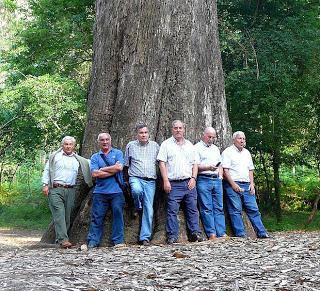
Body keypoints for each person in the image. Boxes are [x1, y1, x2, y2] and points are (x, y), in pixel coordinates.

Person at [157, 120, 204, 244]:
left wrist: (194, 178)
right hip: (173, 183)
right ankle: (172, 235)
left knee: (193, 208)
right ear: (172, 130)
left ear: (184, 129)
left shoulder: (189, 145)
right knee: (172, 210)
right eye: (176, 128)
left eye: (180, 128)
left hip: (189, 182)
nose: (178, 130)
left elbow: (195, 163)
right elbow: (162, 163)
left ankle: (195, 233)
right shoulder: (166, 144)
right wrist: (166, 180)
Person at [42, 136, 93, 248]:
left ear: (74, 146)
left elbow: (92, 163)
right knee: (59, 213)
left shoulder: (79, 159)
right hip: (55, 188)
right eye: (66, 144)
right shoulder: (55, 157)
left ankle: (59, 239)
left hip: (70, 189)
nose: (68, 146)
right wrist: (45, 184)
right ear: (62, 145)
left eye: (70, 144)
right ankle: (64, 240)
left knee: (67, 216)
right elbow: (47, 170)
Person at [221, 131, 269, 238]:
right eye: (239, 138)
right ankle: (240, 234)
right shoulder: (228, 152)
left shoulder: (247, 153)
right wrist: (233, 184)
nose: (242, 141)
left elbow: (250, 170)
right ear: (234, 140)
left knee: (254, 209)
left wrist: (252, 184)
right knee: (235, 210)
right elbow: (225, 170)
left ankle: (262, 232)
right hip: (232, 184)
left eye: (243, 139)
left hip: (247, 184)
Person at [87, 132, 125, 248]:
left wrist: (103, 169)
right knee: (97, 216)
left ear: (110, 140)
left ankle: (118, 241)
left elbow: (119, 167)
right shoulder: (95, 157)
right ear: (98, 142)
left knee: (118, 215)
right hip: (100, 192)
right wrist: (112, 169)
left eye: (107, 140)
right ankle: (93, 241)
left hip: (117, 191)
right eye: (102, 140)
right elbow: (94, 173)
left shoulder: (118, 153)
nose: (105, 142)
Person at [124, 124, 159, 246]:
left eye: (145, 132)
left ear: (148, 134)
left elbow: (160, 163)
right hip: (135, 177)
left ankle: (145, 237)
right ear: (137, 134)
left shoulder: (155, 146)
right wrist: (126, 179)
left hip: (150, 181)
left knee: (149, 209)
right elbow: (126, 164)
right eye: (141, 133)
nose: (143, 135)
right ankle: (137, 206)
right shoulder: (131, 146)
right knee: (136, 191)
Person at [195, 127, 226, 239]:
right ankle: (211, 233)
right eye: (209, 137)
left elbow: (220, 164)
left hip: (216, 179)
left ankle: (221, 232)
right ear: (204, 135)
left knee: (219, 207)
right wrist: (208, 167)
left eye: (213, 137)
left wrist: (221, 175)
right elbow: (195, 166)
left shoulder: (215, 149)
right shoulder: (197, 148)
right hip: (203, 178)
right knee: (206, 207)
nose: (211, 139)